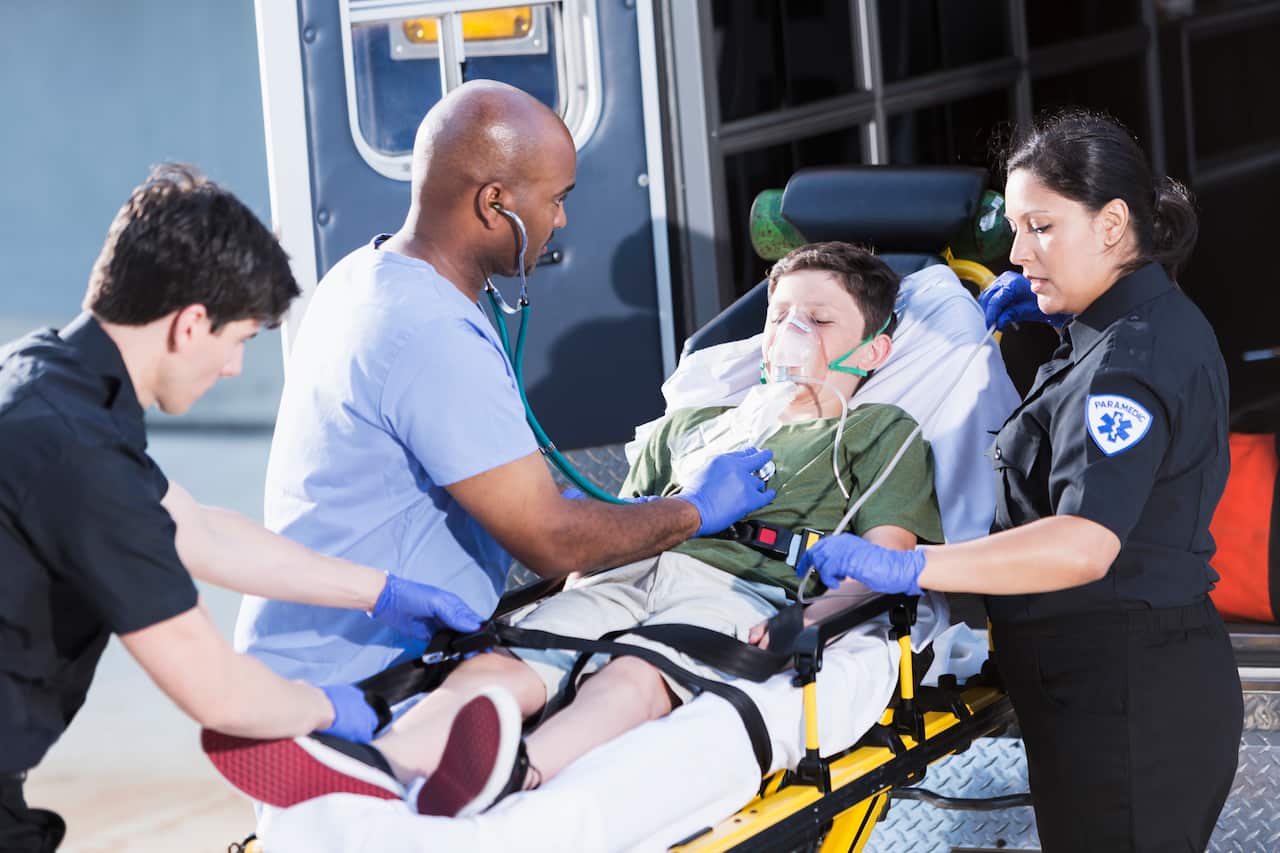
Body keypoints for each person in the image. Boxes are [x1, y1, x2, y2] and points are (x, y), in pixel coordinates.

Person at [204, 241, 946, 818]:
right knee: (519, 653)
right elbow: (616, 525)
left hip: (740, 588)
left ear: (873, 352)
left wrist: (808, 619)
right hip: (631, 570)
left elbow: (883, 563)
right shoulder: (692, 424)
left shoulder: (877, 434)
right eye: (780, 316)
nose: (791, 334)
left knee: (636, 674)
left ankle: (514, 776)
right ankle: (382, 764)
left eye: (818, 322)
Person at [0, 165, 486, 852]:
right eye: (240, 340)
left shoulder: (45, 376)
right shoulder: (78, 454)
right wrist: (344, 708)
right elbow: (217, 691)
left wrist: (377, 590)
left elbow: (199, 532)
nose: (233, 368)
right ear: (192, 324)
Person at [233, 79, 776, 690]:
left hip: (310, 657)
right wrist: (694, 509)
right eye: (556, 199)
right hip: (354, 682)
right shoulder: (429, 330)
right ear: (495, 203)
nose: (562, 219)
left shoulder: (367, 273)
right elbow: (550, 541)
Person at [801, 110, 1242, 852]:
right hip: (1103, 691)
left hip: (1128, 702)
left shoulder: (1125, 366)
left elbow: (1083, 544)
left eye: (1040, 227)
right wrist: (1051, 324)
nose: (1016, 252)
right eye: (1014, 227)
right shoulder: (1116, 330)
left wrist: (914, 565)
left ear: (1110, 225)